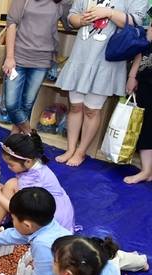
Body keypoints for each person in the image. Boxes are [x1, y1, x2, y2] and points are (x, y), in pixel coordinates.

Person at [55, 0, 148, 167]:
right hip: (80, 57)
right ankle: (70, 149)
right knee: (75, 106)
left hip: (106, 61)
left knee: (92, 110)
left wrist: (109, 13)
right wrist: (80, 20)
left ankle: (81, 151)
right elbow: (71, 16)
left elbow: (136, 22)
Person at [0, 187, 71, 275]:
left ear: (27, 225)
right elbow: (17, 234)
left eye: (13, 219)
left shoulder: (42, 245)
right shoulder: (46, 225)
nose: (13, 222)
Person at [0, 131, 75, 231]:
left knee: (10, 185)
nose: (8, 167)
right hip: (49, 206)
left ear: (28, 161)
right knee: (10, 185)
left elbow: (24, 211)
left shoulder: (34, 179)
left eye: (11, 165)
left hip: (48, 218)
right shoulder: (35, 165)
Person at [3, 0, 71, 135]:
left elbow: (68, 25)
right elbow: (11, 24)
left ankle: (15, 136)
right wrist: (9, 57)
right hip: (18, 57)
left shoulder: (60, 2)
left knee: (27, 104)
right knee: (11, 104)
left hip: (42, 59)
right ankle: (29, 133)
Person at [124, 26, 152, 184]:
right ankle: (146, 171)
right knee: (146, 126)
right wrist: (132, 76)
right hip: (146, 82)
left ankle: (148, 171)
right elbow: (142, 49)